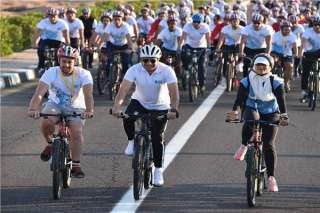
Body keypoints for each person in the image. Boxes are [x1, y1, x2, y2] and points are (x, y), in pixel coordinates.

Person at [111, 44, 179, 186]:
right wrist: (116, 107)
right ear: (141, 60)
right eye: (145, 60)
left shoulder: (167, 71)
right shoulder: (134, 69)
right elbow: (123, 90)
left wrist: (173, 109)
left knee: (157, 137)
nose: (149, 63)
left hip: (160, 106)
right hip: (139, 102)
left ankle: (158, 170)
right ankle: (131, 142)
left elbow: (174, 93)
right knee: (127, 117)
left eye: (152, 60)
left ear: (158, 60)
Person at [27, 45, 94, 178]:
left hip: (76, 107)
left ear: (75, 61)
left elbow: (88, 94)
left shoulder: (84, 74)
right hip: (55, 104)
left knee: (76, 131)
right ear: (59, 60)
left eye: (70, 61)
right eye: (64, 61)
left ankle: (76, 164)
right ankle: (51, 144)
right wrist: (33, 109)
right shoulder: (51, 72)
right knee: (46, 123)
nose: (67, 65)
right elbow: (39, 93)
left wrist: (89, 110)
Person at [226, 53, 289, 192]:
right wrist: (234, 112)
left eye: (264, 66)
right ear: (253, 66)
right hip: (252, 106)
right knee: (250, 120)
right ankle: (243, 146)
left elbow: (281, 99)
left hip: (271, 111)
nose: (260, 68)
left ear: (269, 67)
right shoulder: (246, 80)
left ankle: (271, 177)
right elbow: (239, 99)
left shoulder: (276, 81)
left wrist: (283, 116)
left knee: (268, 144)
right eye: (258, 66)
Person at [180, 13, 211, 92]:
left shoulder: (205, 27)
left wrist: (208, 47)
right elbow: (183, 38)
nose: (196, 23)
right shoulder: (187, 26)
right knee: (183, 52)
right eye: (194, 21)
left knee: (202, 66)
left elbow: (208, 39)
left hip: (201, 47)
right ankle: (186, 68)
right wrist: (179, 47)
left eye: (198, 22)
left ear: (201, 22)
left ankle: (202, 84)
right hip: (189, 45)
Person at [102, 10, 133, 75]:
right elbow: (105, 37)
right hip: (112, 45)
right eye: (115, 19)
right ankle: (107, 78)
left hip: (123, 45)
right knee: (109, 61)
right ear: (113, 19)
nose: (117, 21)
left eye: (119, 19)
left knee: (125, 62)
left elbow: (129, 38)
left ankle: (124, 77)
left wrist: (130, 48)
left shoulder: (126, 26)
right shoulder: (110, 25)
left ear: (122, 19)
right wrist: (101, 46)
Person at [298, 16, 320, 102]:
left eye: (319, 24)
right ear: (312, 25)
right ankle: (304, 91)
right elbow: (302, 44)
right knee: (305, 72)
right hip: (309, 53)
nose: (317, 26)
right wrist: (300, 54)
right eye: (315, 24)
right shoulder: (308, 32)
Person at [271, 21, 297, 92]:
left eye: (289, 30)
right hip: (276, 52)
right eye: (285, 30)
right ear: (281, 29)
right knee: (273, 62)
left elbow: (294, 46)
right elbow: (271, 45)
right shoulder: (275, 35)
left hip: (287, 54)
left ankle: (286, 83)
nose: (287, 31)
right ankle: (271, 80)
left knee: (289, 66)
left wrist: (296, 54)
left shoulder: (293, 36)